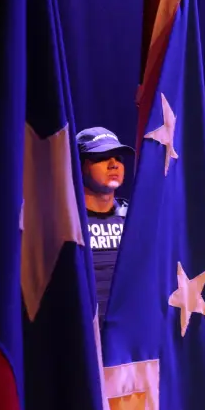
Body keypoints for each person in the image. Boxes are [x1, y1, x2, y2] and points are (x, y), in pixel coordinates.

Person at [77, 126, 133, 314]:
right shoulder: (65, 223)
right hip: (82, 328)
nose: (113, 164)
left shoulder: (134, 219)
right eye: (102, 157)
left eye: (118, 158)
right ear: (80, 166)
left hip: (127, 327)